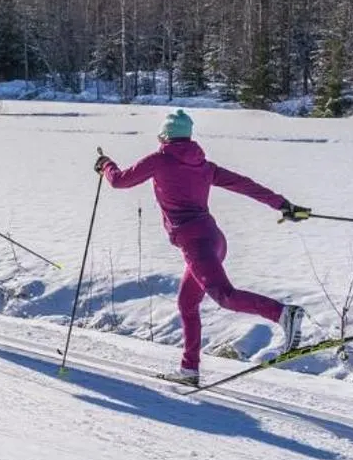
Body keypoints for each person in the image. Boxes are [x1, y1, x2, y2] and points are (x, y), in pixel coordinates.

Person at [96, 109, 309, 385]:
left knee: (224, 296)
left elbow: (120, 180)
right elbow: (245, 185)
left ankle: (283, 313)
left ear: (164, 136)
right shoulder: (204, 166)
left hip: (197, 244)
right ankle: (189, 370)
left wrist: (105, 164)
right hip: (213, 239)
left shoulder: (159, 160)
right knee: (187, 302)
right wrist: (282, 204)